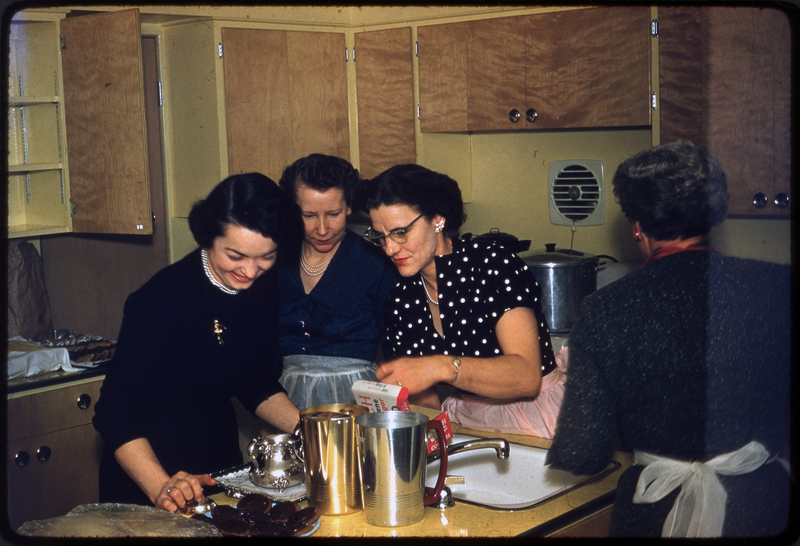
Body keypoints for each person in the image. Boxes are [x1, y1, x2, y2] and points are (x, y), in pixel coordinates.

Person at [546, 140, 791, 537]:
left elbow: (582, 452)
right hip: (762, 511)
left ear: (637, 226)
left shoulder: (606, 309)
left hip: (653, 514)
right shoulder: (779, 287)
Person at [92, 173, 304, 512]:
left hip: (218, 467)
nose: (250, 272)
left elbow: (254, 381)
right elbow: (114, 414)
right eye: (235, 255)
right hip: (152, 476)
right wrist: (161, 484)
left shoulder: (262, 285)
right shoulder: (162, 299)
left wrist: (311, 430)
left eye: (266, 257)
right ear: (208, 237)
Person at [357, 164, 566, 438]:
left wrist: (437, 366)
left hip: (538, 415)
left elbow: (526, 377)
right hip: (467, 419)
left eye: (400, 232)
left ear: (437, 220)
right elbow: (426, 402)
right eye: (380, 237)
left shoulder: (493, 265)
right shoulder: (400, 299)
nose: (390, 248)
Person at [277, 154, 399, 409]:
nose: (322, 229)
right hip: (281, 402)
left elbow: (397, 358)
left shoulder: (375, 264)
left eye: (333, 214)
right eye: (308, 215)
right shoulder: (274, 259)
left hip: (353, 405)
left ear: (350, 207)